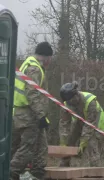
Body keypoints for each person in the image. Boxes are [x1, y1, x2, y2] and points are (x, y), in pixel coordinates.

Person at [11, 42, 53, 180]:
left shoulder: (27, 63)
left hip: (20, 112)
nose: (50, 62)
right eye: (50, 59)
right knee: (28, 148)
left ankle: (37, 172)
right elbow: (32, 93)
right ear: (46, 57)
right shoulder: (34, 68)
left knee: (38, 145)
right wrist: (41, 115)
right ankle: (11, 172)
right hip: (29, 114)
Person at [59, 81, 104, 167]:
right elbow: (64, 124)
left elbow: (89, 125)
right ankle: (63, 166)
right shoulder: (66, 104)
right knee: (69, 141)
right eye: (68, 102)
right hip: (80, 121)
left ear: (76, 95)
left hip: (96, 124)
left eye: (72, 101)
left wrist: (83, 142)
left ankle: (96, 170)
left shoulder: (90, 101)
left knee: (91, 144)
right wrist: (63, 142)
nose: (71, 104)